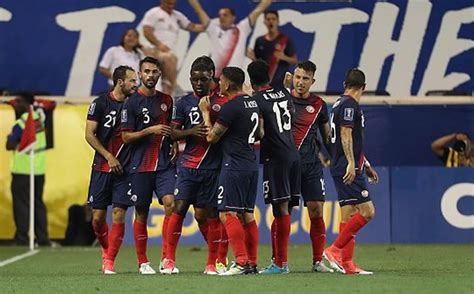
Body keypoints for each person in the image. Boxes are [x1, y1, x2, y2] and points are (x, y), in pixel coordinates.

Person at [162, 57, 229, 275]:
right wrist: (190, 132)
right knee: (178, 208)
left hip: (214, 167)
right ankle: (168, 260)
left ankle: (214, 262)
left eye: (203, 79)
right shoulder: (183, 103)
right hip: (188, 166)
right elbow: (172, 132)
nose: (198, 83)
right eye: (194, 79)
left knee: (208, 214)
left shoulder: (222, 102)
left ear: (212, 76)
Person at [199, 66, 262, 275]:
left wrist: (206, 113)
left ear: (227, 84)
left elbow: (211, 137)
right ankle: (252, 263)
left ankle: (241, 261)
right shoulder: (253, 103)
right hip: (252, 163)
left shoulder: (230, 107)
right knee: (247, 215)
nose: (219, 85)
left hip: (234, 165)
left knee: (227, 213)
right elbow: (260, 132)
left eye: (221, 81)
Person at [119, 56, 176, 275]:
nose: (150, 75)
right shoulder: (131, 102)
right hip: (140, 165)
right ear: (140, 74)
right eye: (146, 71)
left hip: (163, 164)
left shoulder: (167, 100)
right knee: (141, 212)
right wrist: (149, 130)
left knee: (171, 203)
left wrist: (173, 145)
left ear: (159, 74)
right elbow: (125, 137)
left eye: (154, 71)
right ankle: (143, 262)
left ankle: (167, 258)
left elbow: (170, 129)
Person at [323, 68, 379, 275]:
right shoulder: (350, 105)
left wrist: (366, 164)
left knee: (349, 215)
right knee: (368, 212)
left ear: (344, 83)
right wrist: (352, 163)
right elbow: (346, 134)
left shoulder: (337, 104)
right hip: (347, 165)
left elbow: (353, 140)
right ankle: (335, 250)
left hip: (342, 164)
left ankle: (347, 264)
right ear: (364, 87)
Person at [247, 60, 300, 274]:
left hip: (275, 157)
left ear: (251, 81)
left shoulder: (257, 100)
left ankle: (281, 264)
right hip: (293, 154)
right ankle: (278, 260)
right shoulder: (284, 94)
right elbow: (293, 117)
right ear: (268, 76)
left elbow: (258, 132)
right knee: (284, 209)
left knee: (279, 208)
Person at [85, 65, 138, 274]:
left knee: (118, 214)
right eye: (132, 80)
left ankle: (109, 261)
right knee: (98, 217)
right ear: (120, 82)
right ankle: (105, 249)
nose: (136, 84)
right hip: (101, 166)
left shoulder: (135, 105)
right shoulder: (100, 103)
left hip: (125, 170)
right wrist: (109, 157)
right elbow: (89, 134)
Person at [287, 61, 333, 273]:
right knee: (283, 212)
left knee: (316, 209)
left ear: (312, 81)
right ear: (292, 77)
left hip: (311, 165)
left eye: (306, 79)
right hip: (286, 166)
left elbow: (327, 137)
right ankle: (279, 261)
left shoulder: (319, 105)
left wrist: (339, 160)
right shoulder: (282, 100)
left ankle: (317, 261)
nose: (301, 82)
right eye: (298, 77)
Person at [6, 92, 51, 246]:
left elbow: (9, 145)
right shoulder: (40, 120)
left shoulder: (21, 123)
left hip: (22, 170)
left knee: (21, 204)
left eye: (19, 101)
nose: (16, 104)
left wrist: (9, 138)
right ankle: (43, 238)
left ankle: (22, 238)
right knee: (38, 203)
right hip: (38, 169)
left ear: (26, 104)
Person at [188, 0, 273, 77]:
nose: (221, 17)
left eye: (225, 15)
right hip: (217, 78)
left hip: (236, 78)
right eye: (220, 15)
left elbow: (258, 10)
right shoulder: (213, 29)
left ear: (233, 17)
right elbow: (199, 10)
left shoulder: (242, 28)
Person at [141, 0, 207, 95]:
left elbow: (194, 27)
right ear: (162, 2)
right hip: (154, 51)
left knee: (167, 79)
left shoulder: (177, 16)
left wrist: (199, 12)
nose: (170, 6)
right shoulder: (153, 13)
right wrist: (159, 44)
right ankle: (175, 85)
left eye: (172, 4)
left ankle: (167, 100)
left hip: (169, 53)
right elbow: (146, 31)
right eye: (168, 3)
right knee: (170, 58)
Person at [247, 10, 297, 87]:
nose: (271, 21)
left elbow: (294, 61)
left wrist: (283, 57)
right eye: (268, 19)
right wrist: (252, 56)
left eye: (273, 19)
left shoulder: (285, 39)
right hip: (264, 84)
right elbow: (257, 61)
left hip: (280, 83)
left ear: (278, 21)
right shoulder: (259, 40)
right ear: (264, 22)